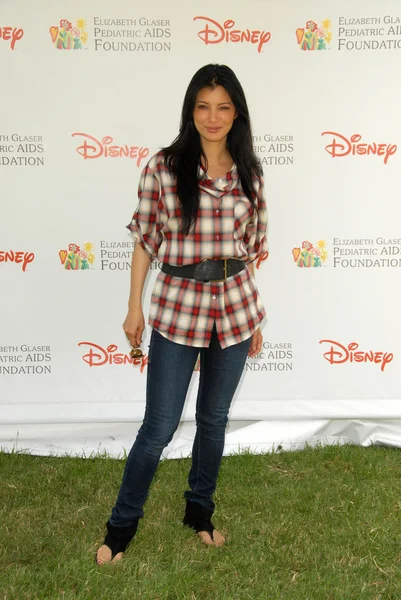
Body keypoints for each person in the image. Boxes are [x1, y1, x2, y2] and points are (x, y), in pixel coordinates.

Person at [96, 63, 268, 565]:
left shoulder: (250, 174)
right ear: (190, 111)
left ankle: (200, 511)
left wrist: (256, 319)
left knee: (214, 420)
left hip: (236, 311)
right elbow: (146, 241)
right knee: (159, 426)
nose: (212, 118)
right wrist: (134, 306)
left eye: (223, 107)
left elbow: (251, 251)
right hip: (177, 310)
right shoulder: (163, 167)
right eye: (202, 106)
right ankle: (121, 527)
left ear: (237, 114)